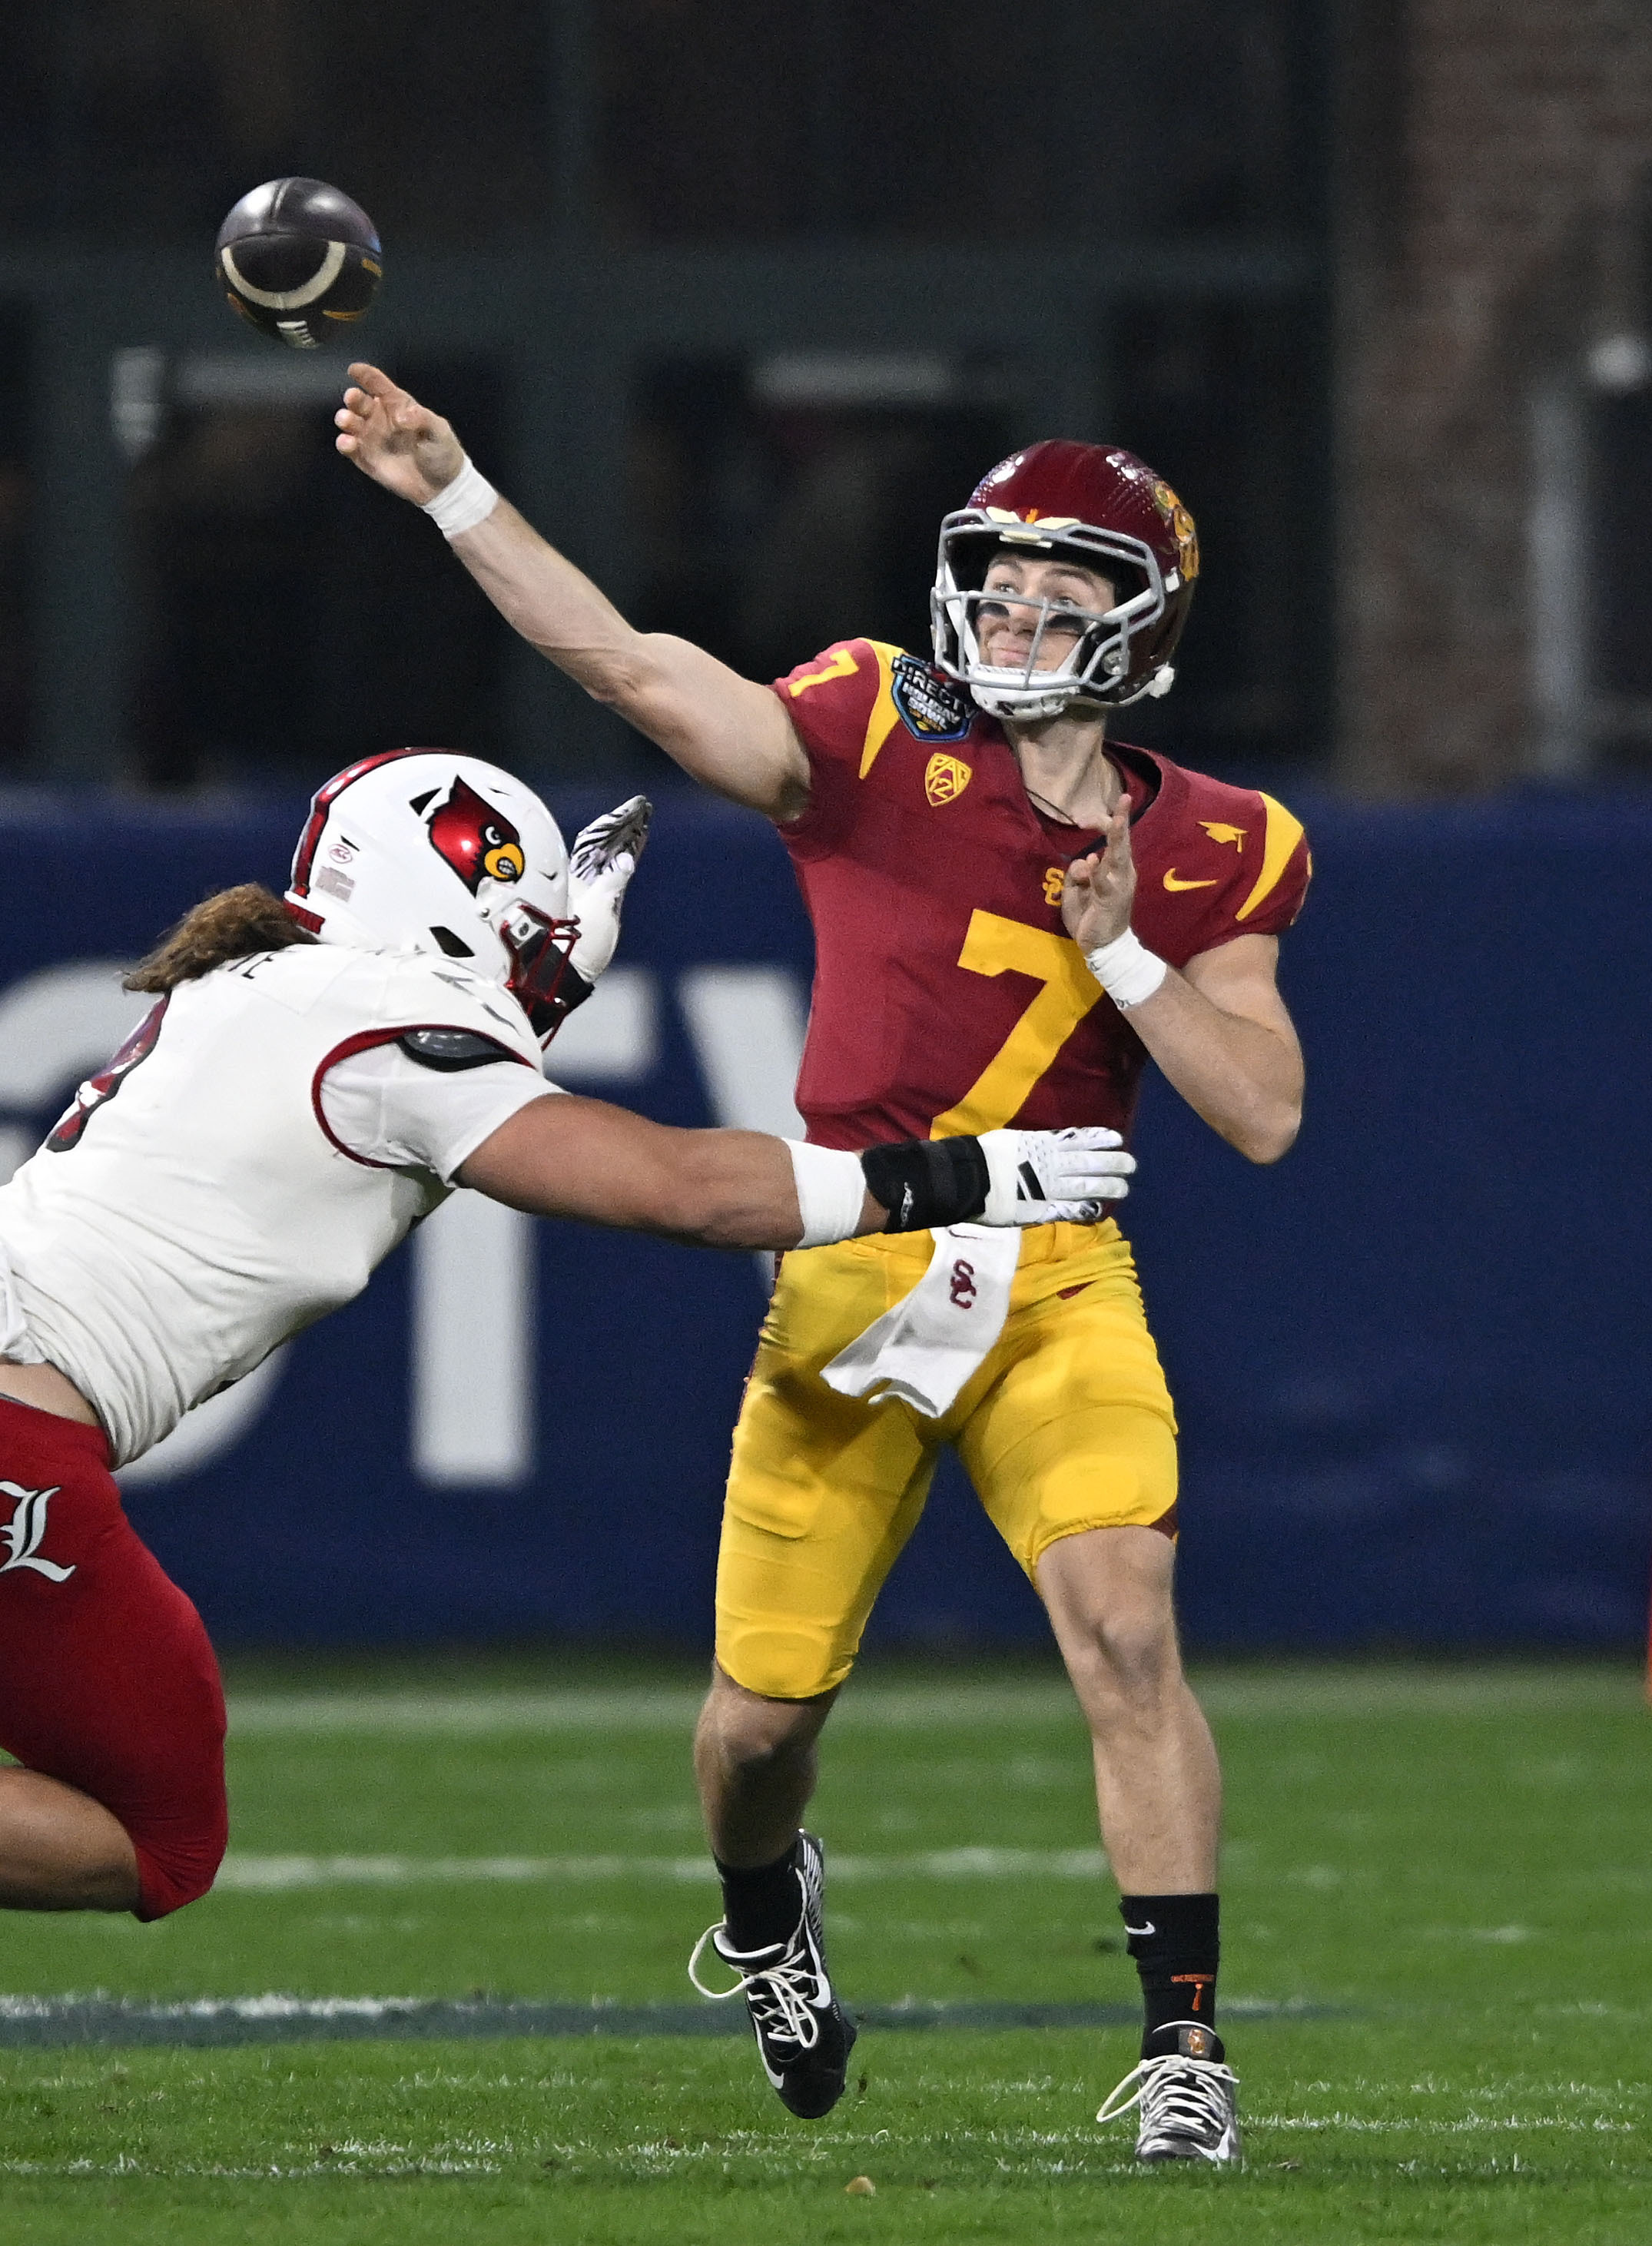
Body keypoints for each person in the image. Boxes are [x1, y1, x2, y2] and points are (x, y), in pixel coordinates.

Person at [0, 751, 1134, 2165]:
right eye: (524, 906)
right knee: (154, 1832)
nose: (548, 944)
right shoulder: (387, 1026)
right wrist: (959, 1171)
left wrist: (550, 940)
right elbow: (674, 1187)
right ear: (452, 889)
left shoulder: (286, 983)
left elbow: (495, 1048)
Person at [331, 368, 1311, 2165]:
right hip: (860, 1270)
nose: (1014, 613)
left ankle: (1183, 2045)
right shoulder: (867, 726)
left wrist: (1134, 960)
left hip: (1058, 1281)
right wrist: (456, 486)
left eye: (1058, 593)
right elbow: (633, 669)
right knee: (753, 1735)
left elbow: (1260, 1114)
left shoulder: (1215, 841)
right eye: (997, 582)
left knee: (1129, 1626)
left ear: (1136, 629)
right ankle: (767, 1914)